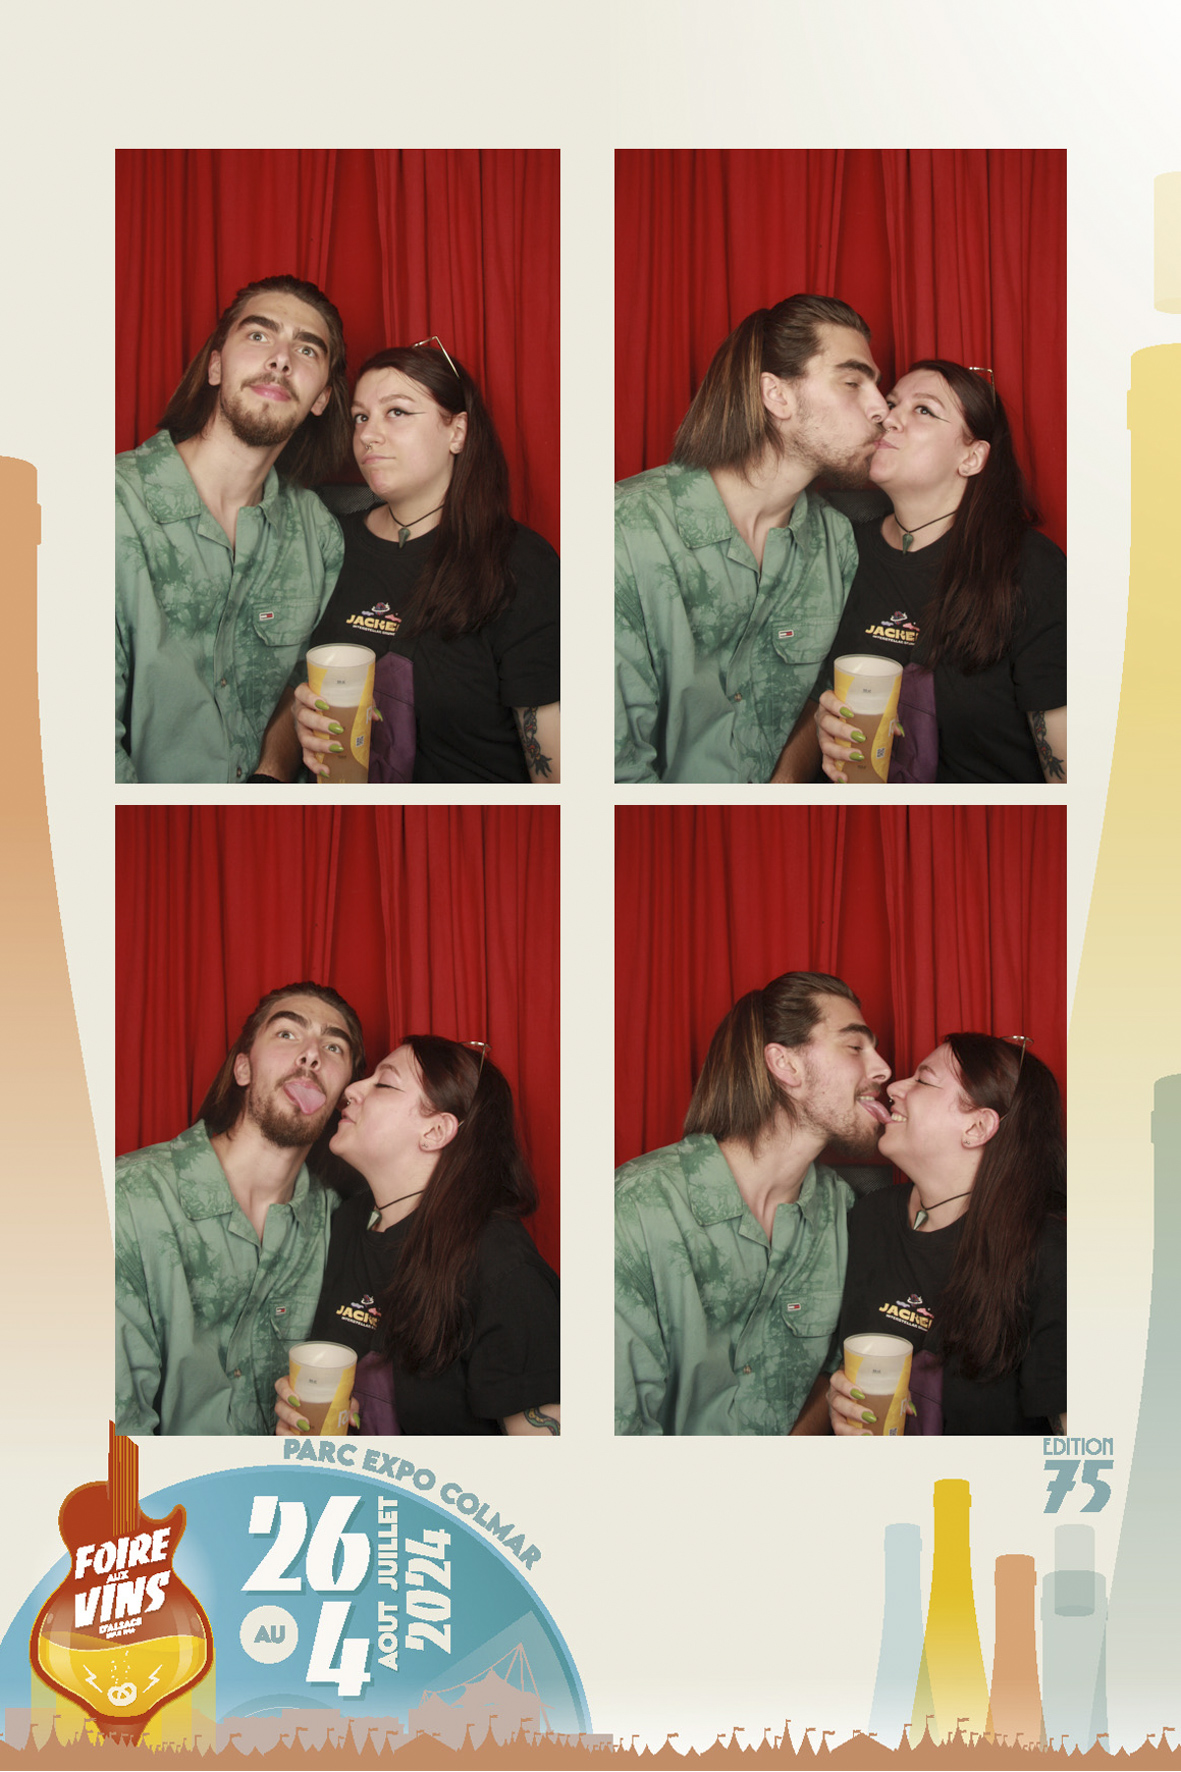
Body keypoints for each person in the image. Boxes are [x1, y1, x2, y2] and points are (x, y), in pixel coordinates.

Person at [615, 293, 889, 784]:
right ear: (776, 395)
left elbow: (820, 693)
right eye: (853, 382)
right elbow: (613, 765)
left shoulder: (836, 543)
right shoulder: (626, 532)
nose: (881, 409)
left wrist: (782, 787)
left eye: (877, 385)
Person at [615, 972, 893, 1436]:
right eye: (854, 1046)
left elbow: (832, 1375)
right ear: (785, 1065)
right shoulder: (638, 1209)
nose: (883, 1069)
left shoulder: (842, 1210)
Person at [269, 341, 560, 784]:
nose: (368, 435)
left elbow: (555, 773)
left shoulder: (519, 563)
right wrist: (298, 720)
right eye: (361, 417)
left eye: (397, 412)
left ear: (457, 432)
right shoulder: (328, 542)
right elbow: (285, 683)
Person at [116, 275, 349, 784]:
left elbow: (302, 685)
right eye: (259, 335)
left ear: (321, 399)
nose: (281, 359)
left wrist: (268, 776)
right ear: (216, 366)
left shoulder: (318, 534)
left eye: (306, 349)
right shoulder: (109, 508)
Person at [115, 983, 365, 1435]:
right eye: (287, 1034)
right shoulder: (129, 1200)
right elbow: (114, 1435)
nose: (311, 1055)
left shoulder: (337, 1222)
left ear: (344, 1096)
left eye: (333, 1047)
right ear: (244, 1068)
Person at [276, 1037, 560, 1435]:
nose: (351, 1090)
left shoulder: (502, 1267)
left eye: (383, 1084)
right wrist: (296, 1420)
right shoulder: (345, 1223)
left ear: (436, 1131)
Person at [800, 361, 1066, 784]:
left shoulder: (1029, 567)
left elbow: (1069, 773)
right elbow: (803, 694)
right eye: (891, 404)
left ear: (971, 458)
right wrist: (820, 728)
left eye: (923, 409)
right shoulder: (838, 547)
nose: (888, 418)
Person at [825, 1034, 1066, 1436]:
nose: (894, 1087)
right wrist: (836, 1402)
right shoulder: (869, 1218)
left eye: (922, 1080)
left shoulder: (1051, 1254)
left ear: (977, 1126)